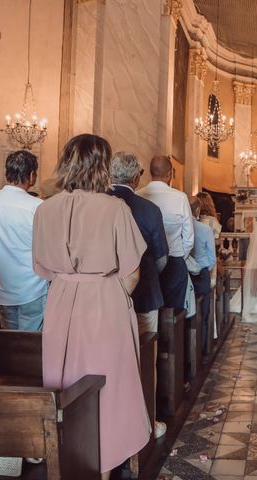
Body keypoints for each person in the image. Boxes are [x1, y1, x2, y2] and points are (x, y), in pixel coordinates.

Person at [33, 134, 150, 478]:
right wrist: (108, 292)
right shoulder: (115, 208)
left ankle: (67, 456)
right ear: (102, 166)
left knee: (64, 378)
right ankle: (107, 457)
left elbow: (42, 268)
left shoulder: (44, 209)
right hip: (105, 301)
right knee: (109, 384)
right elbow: (131, 273)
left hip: (62, 303)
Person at [108, 152, 169, 438]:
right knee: (146, 358)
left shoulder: (100, 205)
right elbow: (160, 258)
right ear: (136, 177)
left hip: (105, 298)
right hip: (144, 294)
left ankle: (111, 424)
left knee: (110, 359)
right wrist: (148, 276)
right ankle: (146, 422)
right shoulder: (148, 209)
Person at [0, 150, 47, 331]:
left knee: (9, 346)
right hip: (32, 289)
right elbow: (45, 252)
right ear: (32, 175)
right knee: (30, 348)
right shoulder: (37, 206)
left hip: (1, 287)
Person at [138, 155, 194, 309]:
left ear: (150, 172)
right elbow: (189, 237)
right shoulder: (180, 198)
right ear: (169, 174)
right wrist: (180, 257)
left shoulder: (138, 195)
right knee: (174, 311)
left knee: (147, 311)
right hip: (174, 261)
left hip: (145, 262)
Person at [188, 196, 216, 360]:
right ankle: (203, 351)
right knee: (203, 312)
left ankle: (187, 353)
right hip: (202, 274)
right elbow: (211, 257)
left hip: (183, 273)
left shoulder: (179, 227)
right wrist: (204, 270)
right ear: (198, 210)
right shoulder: (205, 229)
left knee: (186, 312)